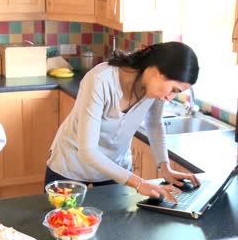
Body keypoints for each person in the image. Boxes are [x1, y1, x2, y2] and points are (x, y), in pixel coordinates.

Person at [45, 41, 201, 203]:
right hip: (71, 166)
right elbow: (88, 151)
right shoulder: (100, 80)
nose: (171, 97)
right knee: (66, 225)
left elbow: (154, 124)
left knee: (118, 226)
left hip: (116, 170)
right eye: (174, 89)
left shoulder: (155, 91)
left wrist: (165, 167)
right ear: (157, 72)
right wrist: (139, 183)